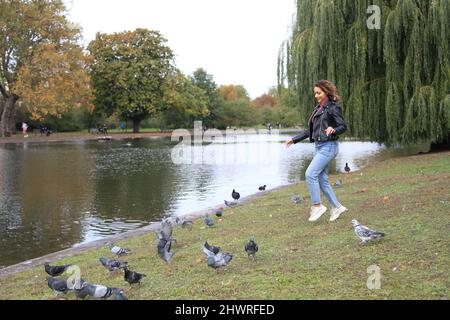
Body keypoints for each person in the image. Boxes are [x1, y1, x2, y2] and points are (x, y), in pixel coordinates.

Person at [285, 80, 348, 222]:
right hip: (319, 146)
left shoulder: (333, 108)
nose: (316, 96)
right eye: (315, 93)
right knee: (321, 179)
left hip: (329, 146)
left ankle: (317, 205)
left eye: (319, 93)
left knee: (310, 174)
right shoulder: (318, 109)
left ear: (326, 92)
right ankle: (337, 207)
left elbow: (343, 126)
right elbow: (311, 130)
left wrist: (334, 129)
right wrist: (294, 139)